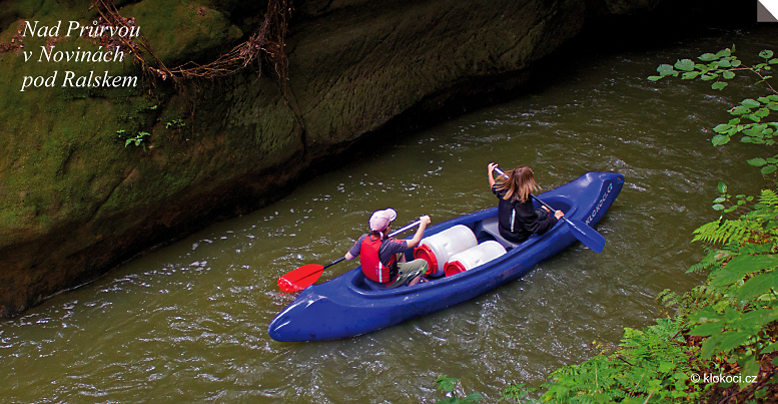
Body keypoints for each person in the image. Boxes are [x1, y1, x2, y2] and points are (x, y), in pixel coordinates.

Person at [344, 208, 432, 287]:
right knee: (423, 264)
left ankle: (405, 278)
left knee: (400, 251)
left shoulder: (363, 238)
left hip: (371, 275)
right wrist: (423, 223)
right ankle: (409, 289)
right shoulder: (390, 244)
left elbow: (348, 257)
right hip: (387, 282)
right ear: (387, 228)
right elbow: (415, 241)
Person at [487, 163, 564, 243]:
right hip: (517, 237)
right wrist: (555, 219)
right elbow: (535, 228)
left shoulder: (504, 189)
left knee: (538, 214)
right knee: (539, 219)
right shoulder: (523, 202)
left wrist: (490, 173)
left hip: (502, 230)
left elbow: (493, 186)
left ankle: (543, 211)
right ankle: (543, 212)